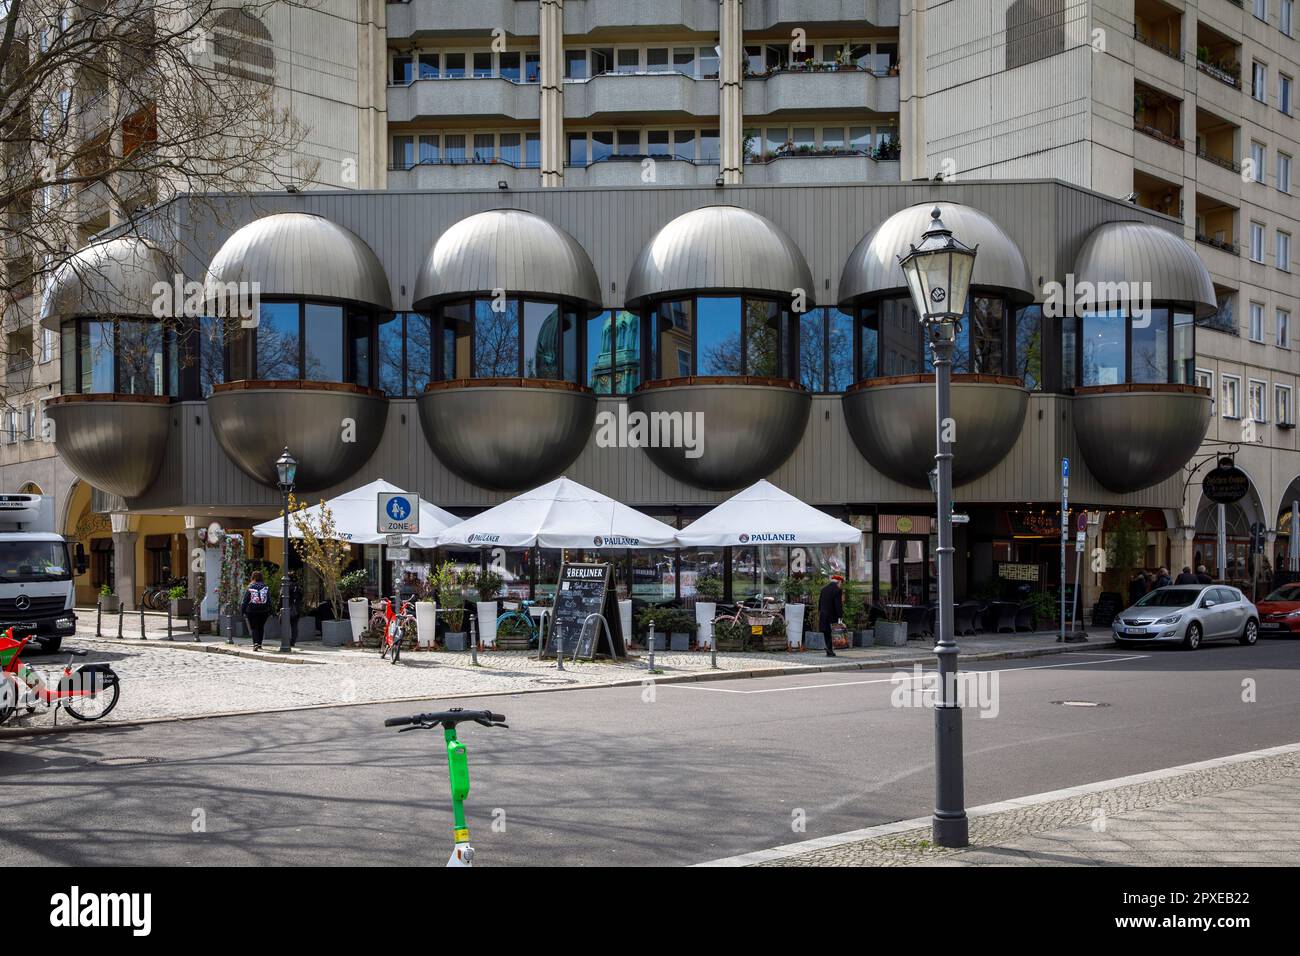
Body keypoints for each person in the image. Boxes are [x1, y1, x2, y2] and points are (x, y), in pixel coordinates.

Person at [241, 570, 272, 651]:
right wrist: (271, 611)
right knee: (261, 627)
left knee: (254, 627)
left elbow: (245, 601)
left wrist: (243, 611)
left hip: (252, 611)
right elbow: (269, 600)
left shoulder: (250, 587)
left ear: (253, 578)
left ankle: (255, 643)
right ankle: (260, 644)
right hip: (264, 611)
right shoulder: (265, 587)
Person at [818, 575, 844, 658]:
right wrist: (840, 616)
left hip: (823, 614)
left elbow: (820, 603)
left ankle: (829, 649)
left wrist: (820, 612)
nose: (841, 585)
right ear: (839, 582)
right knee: (833, 633)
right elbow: (838, 605)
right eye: (841, 583)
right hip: (832, 615)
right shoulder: (837, 590)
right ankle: (829, 650)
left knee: (826, 632)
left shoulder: (823, 589)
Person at [283, 572, 303, 648]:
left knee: (285, 625)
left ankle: (286, 641)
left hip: (287, 608)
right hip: (296, 608)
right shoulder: (297, 587)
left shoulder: (285, 586)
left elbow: (281, 598)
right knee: (294, 626)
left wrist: (278, 608)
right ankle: (293, 641)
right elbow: (301, 598)